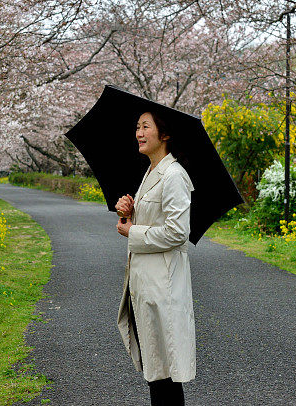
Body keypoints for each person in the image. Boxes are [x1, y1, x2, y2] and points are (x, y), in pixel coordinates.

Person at [115, 109, 196, 406]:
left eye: (145, 127)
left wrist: (132, 232)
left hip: (163, 287)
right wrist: (130, 211)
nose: (138, 132)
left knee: (165, 375)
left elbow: (177, 233)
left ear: (165, 135)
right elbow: (154, 219)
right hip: (147, 285)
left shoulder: (173, 175)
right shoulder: (151, 171)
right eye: (137, 126)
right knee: (156, 372)